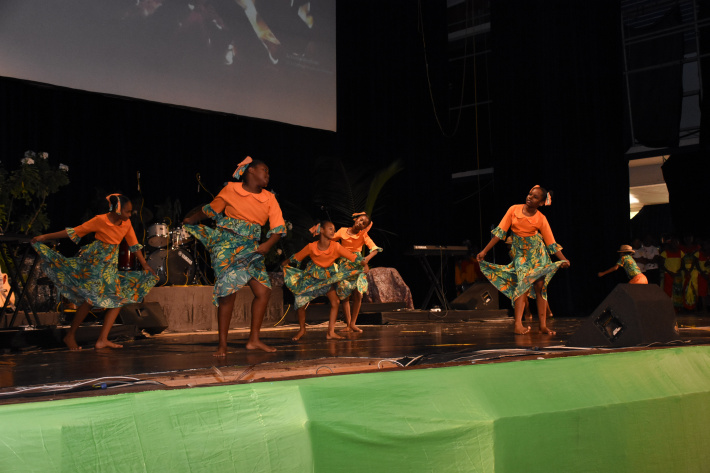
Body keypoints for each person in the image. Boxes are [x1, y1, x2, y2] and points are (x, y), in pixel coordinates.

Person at [183, 157, 286, 356]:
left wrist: (267, 244)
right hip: (227, 245)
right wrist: (191, 219)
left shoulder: (269, 198)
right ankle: (223, 343)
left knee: (264, 291)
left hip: (252, 248)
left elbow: (278, 228)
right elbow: (211, 209)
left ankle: (253, 340)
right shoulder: (231, 190)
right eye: (264, 169)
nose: (267, 174)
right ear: (250, 171)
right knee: (228, 293)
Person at [31, 194, 158, 350]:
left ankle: (102, 339)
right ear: (117, 210)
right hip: (94, 264)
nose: (130, 215)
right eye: (127, 211)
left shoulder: (126, 223)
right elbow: (74, 232)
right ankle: (70, 336)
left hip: (109, 267)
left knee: (118, 299)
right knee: (91, 300)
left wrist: (145, 264)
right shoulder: (100, 220)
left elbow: (134, 244)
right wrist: (45, 236)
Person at [476, 186, 570, 335]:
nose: (529, 197)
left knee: (540, 287)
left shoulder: (541, 218)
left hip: (538, 254)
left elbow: (551, 244)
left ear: (540, 203)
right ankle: (518, 324)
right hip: (521, 255)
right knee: (522, 286)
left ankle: (543, 325)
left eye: (534, 197)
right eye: (529, 194)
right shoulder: (513, 210)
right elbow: (499, 234)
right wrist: (484, 251)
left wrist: (564, 259)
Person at [282, 221, 371, 341]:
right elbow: (297, 256)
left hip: (327, 279)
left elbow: (353, 257)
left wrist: (364, 264)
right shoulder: (311, 247)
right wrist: (285, 263)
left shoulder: (336, 246)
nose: (333, 231)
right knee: (300, 303)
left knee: (335, 302)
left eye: (334, 229)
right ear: (322, 230)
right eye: (330, 229)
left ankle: (330, 332)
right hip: (312, 278)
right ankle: (302, 329)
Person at [332, 212, 382, 332]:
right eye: (360, 220)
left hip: (358, 264)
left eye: (363, 223)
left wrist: (366, 260)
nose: (360, 223)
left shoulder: (363, 235)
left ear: (364, 227)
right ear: (355, 219)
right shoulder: (343, 231)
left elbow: (375, 249)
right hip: (345, 264)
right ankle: (348, 324)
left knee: (358, 293)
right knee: (345, 295)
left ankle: (353, 323)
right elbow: (330, 240)